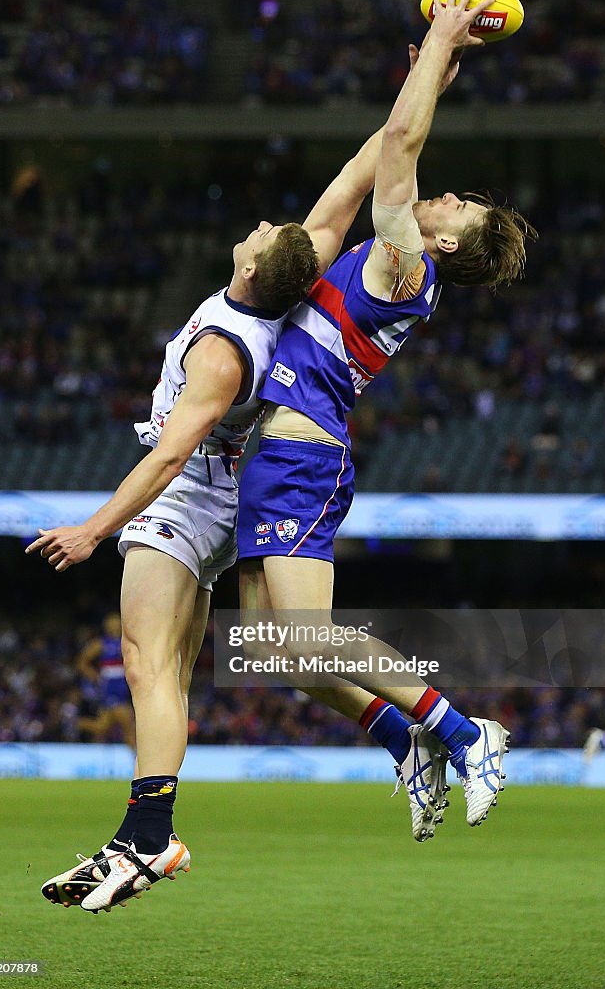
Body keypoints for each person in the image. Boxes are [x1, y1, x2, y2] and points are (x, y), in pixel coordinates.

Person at [28, 97, 413, 910]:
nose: (265, 226)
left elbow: (169, 453)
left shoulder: (220, 350)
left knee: (148, 664)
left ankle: (148, 836)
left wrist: (94, 530)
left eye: (263, 231)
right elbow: (355, 179)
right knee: (183, 666)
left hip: (190, 496)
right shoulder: (282, 293)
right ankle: (148, 837)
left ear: (246, 267)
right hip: (224, 496)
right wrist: (426, 80)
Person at [237, 0, 537, 840]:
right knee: (267, 654)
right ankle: (402, 735)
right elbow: (374, 157)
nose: (448, 198)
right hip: (277, 457)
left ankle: (461, 728)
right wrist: (428, 80)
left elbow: (401, 148)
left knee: (308, 636)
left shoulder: (407, 263)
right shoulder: (383, 255)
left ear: (446, 241)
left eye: (460, 208)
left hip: (302, 454)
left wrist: (443, 37)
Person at [76, 612, 135, 749]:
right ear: (106, 626)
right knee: (127, 724)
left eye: (116, 622)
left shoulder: (126, 641)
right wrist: (95, 677)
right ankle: (137, 761)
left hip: (124, 686)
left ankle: (76, 723)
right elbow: (82, 662)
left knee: (102, 727)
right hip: (111, 688)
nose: (114, 625)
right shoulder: (101, 643)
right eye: (111, 623)